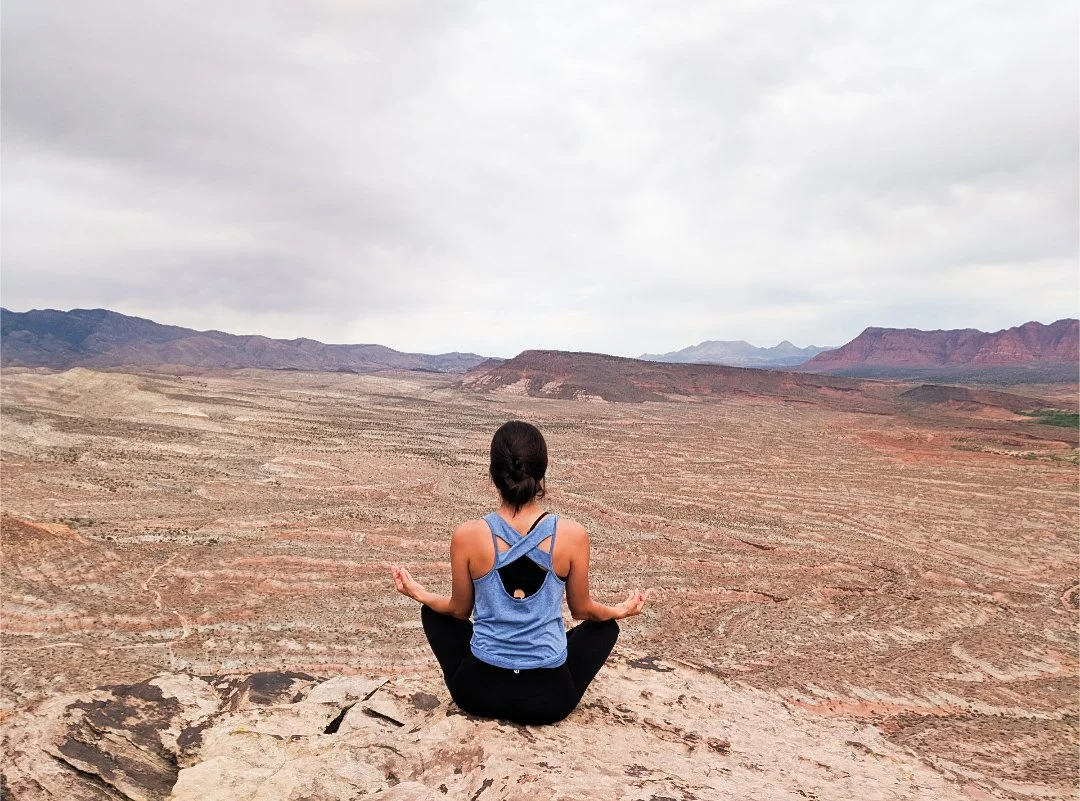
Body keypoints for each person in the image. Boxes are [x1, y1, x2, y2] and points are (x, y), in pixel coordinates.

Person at [390, 420, 654, 725]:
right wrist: (620, 610)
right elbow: (584, 610)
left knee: (433, 613)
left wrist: (419, 593)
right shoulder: (572, 534)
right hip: (549, 700)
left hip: (477, 693)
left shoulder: (468, 535)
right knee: (605, 627)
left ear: (493, 473)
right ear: (541, 473)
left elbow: (459, 611)